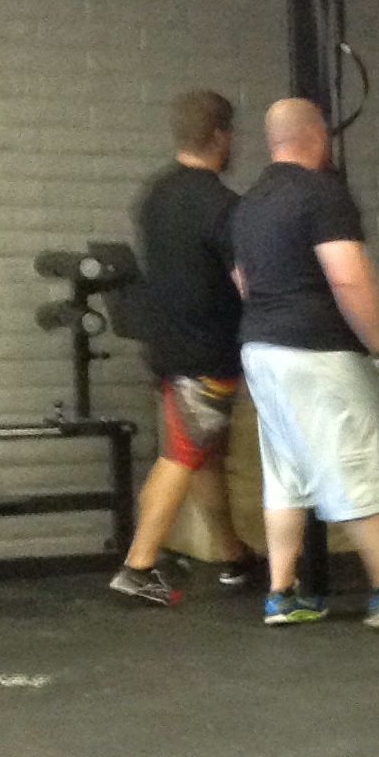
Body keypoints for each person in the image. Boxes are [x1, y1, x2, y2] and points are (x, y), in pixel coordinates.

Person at [229, 97, 379, 629]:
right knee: (356, 460)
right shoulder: (322, 192)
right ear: (318, 135)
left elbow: (243, 282)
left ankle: (283, 594)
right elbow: (347, 275)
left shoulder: (248, 204)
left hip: (261, 349)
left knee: (286, 471)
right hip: (316, 352)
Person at [109, 89, 254, 607]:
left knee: (205, 456)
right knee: (185, 454)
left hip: (167, 344)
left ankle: (233, 555)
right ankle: (137, 566)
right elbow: (246, 282)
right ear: (220, 136)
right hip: (206, 351)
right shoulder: (222, 205)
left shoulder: (155, 196)